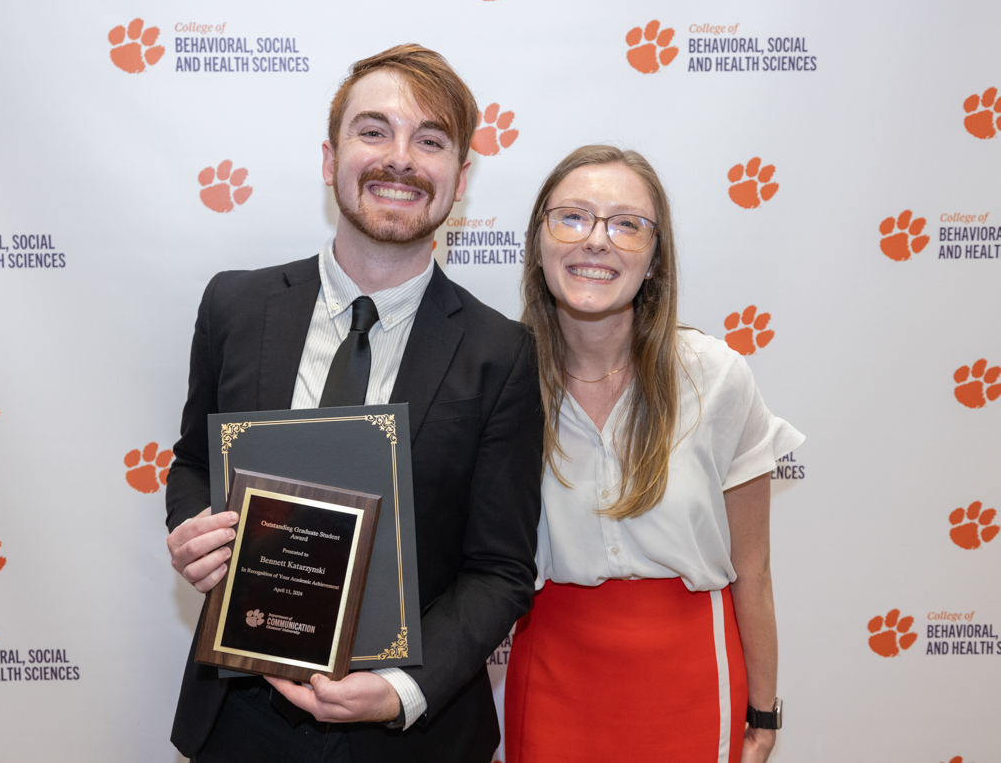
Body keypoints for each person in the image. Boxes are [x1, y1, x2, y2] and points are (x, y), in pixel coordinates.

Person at [164, 44, 543, 763]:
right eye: (373, 131)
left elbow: (500, 570)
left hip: (411, 740)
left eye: (429, 141)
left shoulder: (503, 355)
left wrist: (403, 689)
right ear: (329, 156)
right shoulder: (234, 307)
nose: (399, 158)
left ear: (459, 179)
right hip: (239, 719)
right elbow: (190, 463)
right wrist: (192, 529)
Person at [504, 145, 802, 763]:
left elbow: (755, 568)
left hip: (694, 675)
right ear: (539, 241)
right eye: (573, 217)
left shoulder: (716, 376)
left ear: (655, 258)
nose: (597, 241)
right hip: (554, 667)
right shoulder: (498, 378)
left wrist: (764, 711)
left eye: (626, 224)